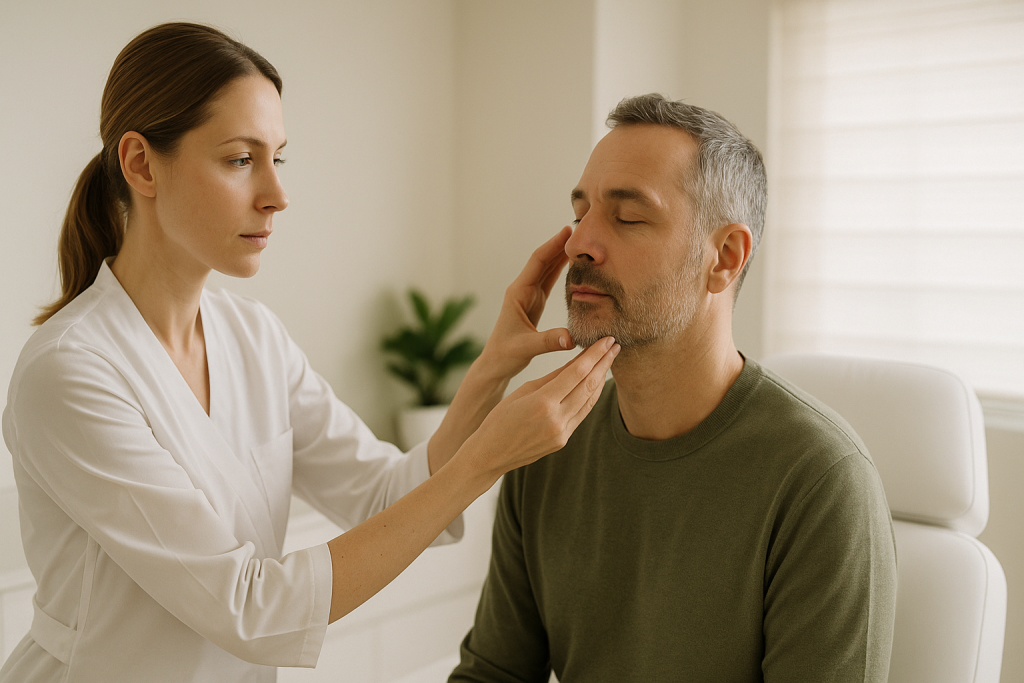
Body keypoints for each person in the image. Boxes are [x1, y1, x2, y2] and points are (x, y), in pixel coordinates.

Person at [0, 22, 620, 683]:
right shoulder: (69, 372)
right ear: (140, 164)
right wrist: (487, 457)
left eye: (278, 158)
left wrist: (492, 368)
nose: (277, 195)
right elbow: (250, 610)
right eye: (240, 160)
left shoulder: (253, 338)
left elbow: (387, 497)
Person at [450, 95, 898, 682]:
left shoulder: (821, 482)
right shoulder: (545, 442)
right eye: (580, 213)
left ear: (725, 258)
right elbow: (492, 674)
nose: (579, 244)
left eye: (628, 217)